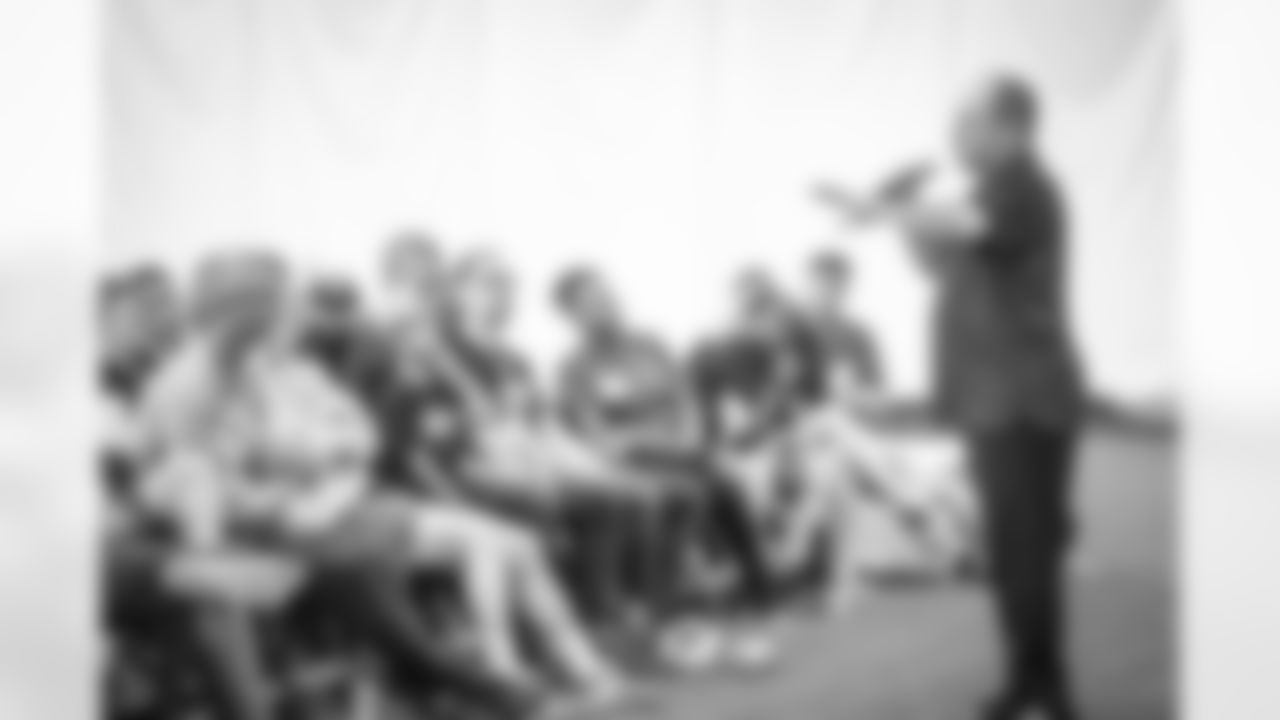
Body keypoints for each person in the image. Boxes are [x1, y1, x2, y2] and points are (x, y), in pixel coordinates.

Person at [139, 249, 627, 707]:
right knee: (443, 561)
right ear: (249, 311)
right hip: (267, 535)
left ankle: (529, 679)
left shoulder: (247, 373)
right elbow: (203, 490)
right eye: (284, 305)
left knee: (491, 548)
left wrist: (313, 474)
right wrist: (292, 493)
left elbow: (318, 445)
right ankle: (502, 682)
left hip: (316, 515)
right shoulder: (192, 383)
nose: (295, 316)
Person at [818, 75, 1086, 720]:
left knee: (1026, 551)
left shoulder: (1025, 186)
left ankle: (1046, 689)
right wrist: (896, 217)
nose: (954, 136)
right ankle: (1031, 682)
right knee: (1014, 552)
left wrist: (885, 207)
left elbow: (966, 225)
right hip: (997, 401)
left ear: (1010, 127)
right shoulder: (989, 194)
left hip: (1025, 402)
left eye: (967, 122)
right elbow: (938, 265)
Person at [555, 266, 782, 670]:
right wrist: (664, 447)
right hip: (637, 464)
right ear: (572, 315)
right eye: (592, 302)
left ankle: (754, 600)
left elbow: (686, 396)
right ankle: (669, 622)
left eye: (609, 294)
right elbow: (600, 438)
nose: (607, 305)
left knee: (724, 483)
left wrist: (691, 437)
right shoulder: (574, 367)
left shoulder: (651, 343)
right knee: (681, 495)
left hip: (684, 450)